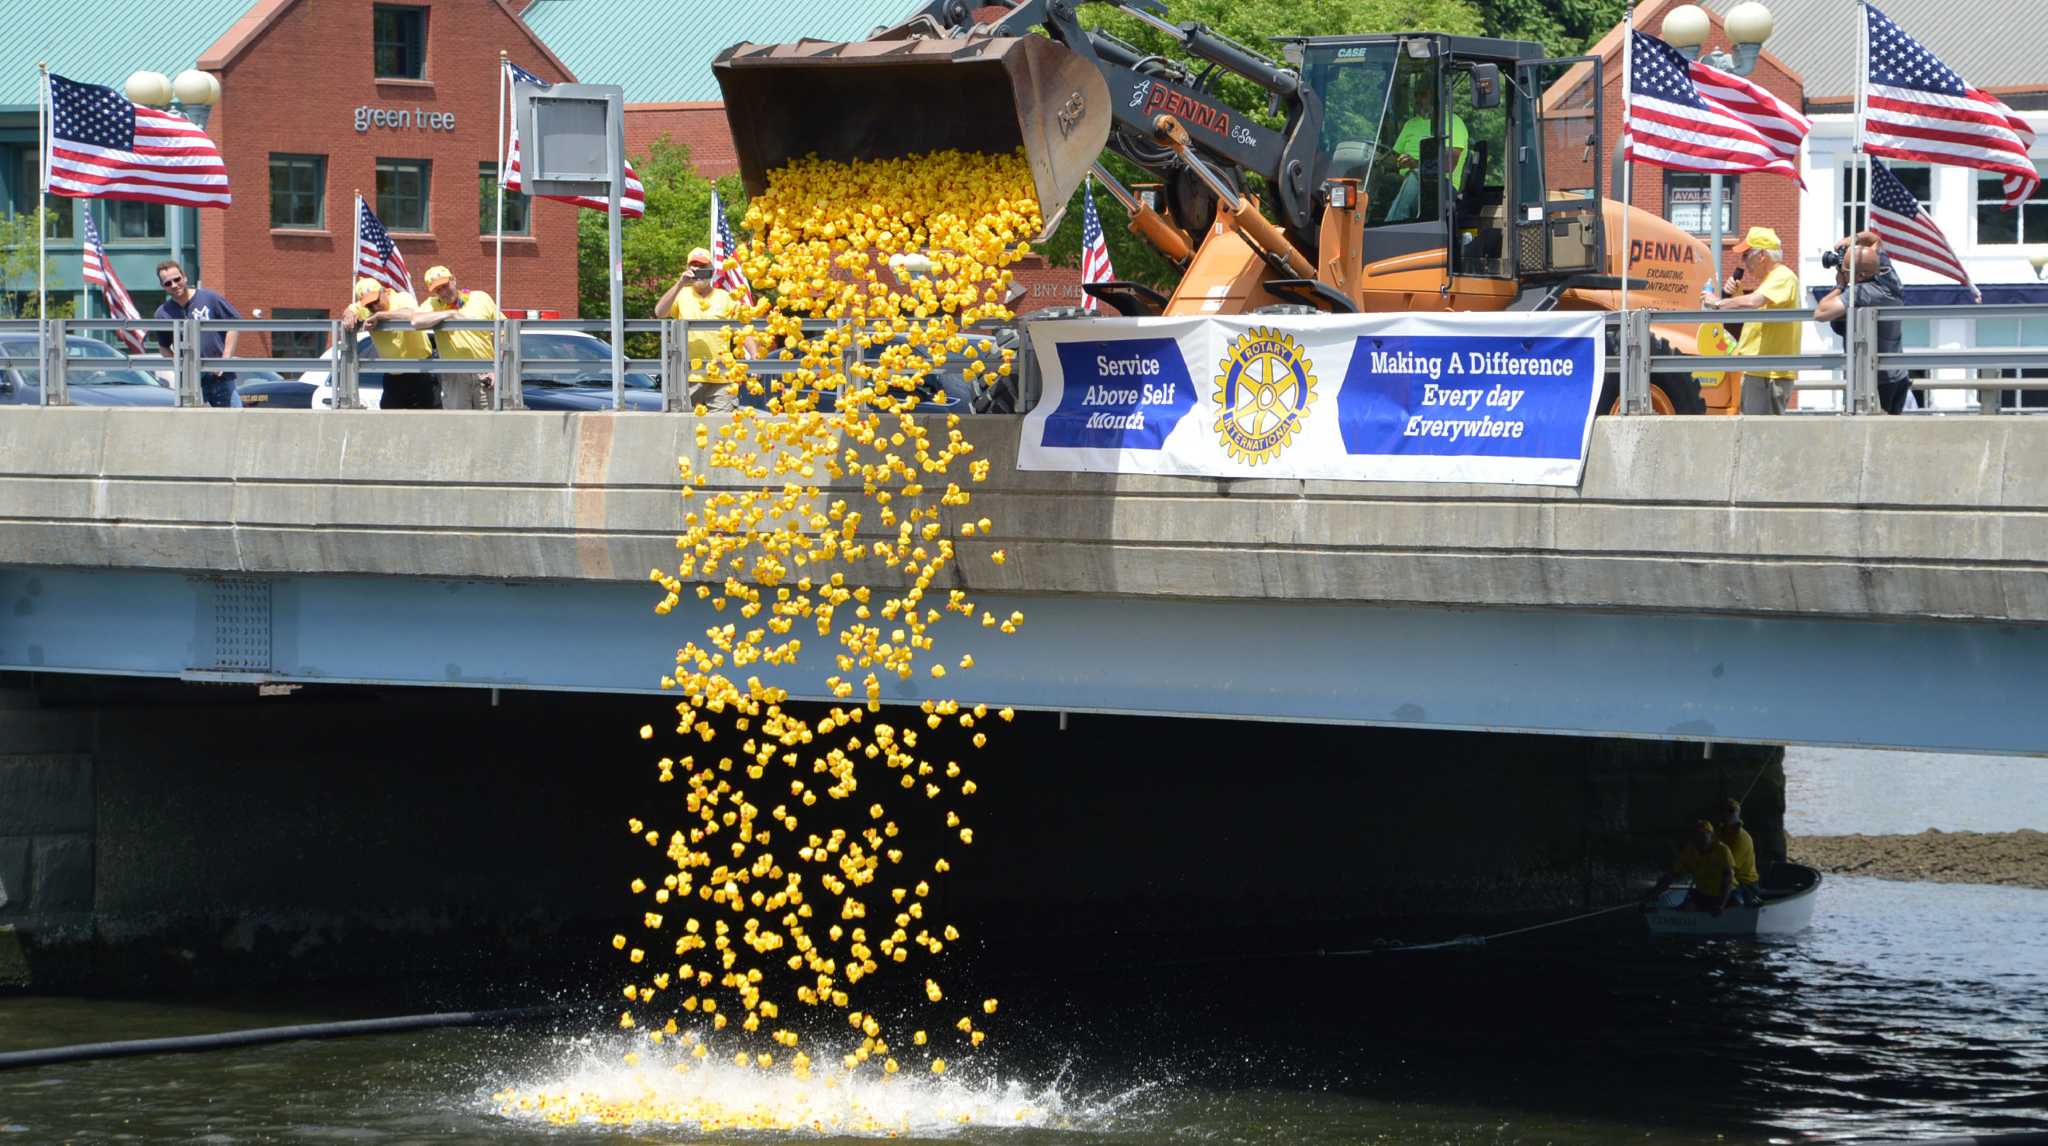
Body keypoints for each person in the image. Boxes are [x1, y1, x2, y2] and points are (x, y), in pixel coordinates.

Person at [1703, 226, 1802, 415]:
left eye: (1746, 255)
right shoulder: (1771, 280)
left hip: (1768, 374)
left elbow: (1753, 301)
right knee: (1756, 433)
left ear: (1762, 255)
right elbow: (1751, 314)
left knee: (1761, 435)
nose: (1743, 262)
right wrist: (1734, 296)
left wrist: (1719, 302)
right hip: (1760, 371)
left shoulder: (1783, 276)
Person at [1814, 231, 1911, 415]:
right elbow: (1875, 240)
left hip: (1878, 382)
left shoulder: (1864, 292)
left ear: (1859, 276)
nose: (1842, 271)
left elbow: (1820, 313)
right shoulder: (1887, 276)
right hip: (1896, 376)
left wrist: (1840, 286)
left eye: (1846, 270)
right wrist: (1853, 241)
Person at [655, 247, 757, 413]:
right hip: (686, 376)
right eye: (694, 267)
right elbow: (659, 312)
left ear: (711, 271)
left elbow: (742, 328)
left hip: (721, 378)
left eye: (703, 268)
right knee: (682, 427)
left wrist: (754, 356)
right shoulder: (681, 294)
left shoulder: (725, 297)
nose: (698, 272)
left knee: (721, 429)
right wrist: (680, 283)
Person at [151, 261, 243, 408]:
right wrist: (182, 368)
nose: (174, 285)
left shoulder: (210, 298)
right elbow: (164, 348)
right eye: (168, 283)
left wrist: (224, 360)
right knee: (195, 427)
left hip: (221, 377)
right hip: (190, 383)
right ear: (163, 287)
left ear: (185, 278)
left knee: (235, 423)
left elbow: (234, 323)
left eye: (177, 279)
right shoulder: (162, 313)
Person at [409, 265, 499, 410]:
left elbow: (502, 334)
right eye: (438, 290)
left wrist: (497, 368)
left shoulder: (480, 298)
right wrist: (449, 314)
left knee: (489, 424)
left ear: (454, 280)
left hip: (486, 372)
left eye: (445, 286)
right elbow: (415, 321)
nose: (443, 292)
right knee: (458, 426)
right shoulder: (432, 305)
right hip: (454, 375)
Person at [341, 277, 434, 409]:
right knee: (390, 423)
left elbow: (411, 314)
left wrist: (381, 316)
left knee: (426, 423)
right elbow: (350, 310)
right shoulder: (365, 309)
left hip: (421, 372)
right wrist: (349, 315)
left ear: (385, 292)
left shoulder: (401, 297)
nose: (374, 307)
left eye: (376, 301)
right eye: (369, 305)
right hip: (393, 377)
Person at [1384, 77, 1468, 223]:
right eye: (1416, 95)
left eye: (1423, 95)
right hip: (1405, 179)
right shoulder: (1410, 124)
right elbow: (1393, 157)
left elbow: (1448, 164)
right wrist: (1395, 162)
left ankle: (1392, 226)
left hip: (1440, 184)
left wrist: (1415, 164)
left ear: (1437, 96)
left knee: (1415, 175)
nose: (1418, 99)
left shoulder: (1453, 122)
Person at [1648, 820, 1737, 915]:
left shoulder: (1723, 851)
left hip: (1725, 894)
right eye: (1697, 835)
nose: (1699, 838)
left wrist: (1721, 905)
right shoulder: (1689, 851)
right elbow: (1671, 875)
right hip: (1703, 893)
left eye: (1703, 834)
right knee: (1687, 908)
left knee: (1735, 903)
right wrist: (1652, 895)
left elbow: (1728, 880)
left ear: (1711, 835)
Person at [1714, 798, 1763, 908]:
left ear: (1738, 814)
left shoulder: (1741, 838)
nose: (1728, 814)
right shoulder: (1718, 833)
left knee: (1731, 899)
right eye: (1725, 810)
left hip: (1746, 884)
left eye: (1731, 811)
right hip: (1724, 877)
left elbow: (1729, 868)